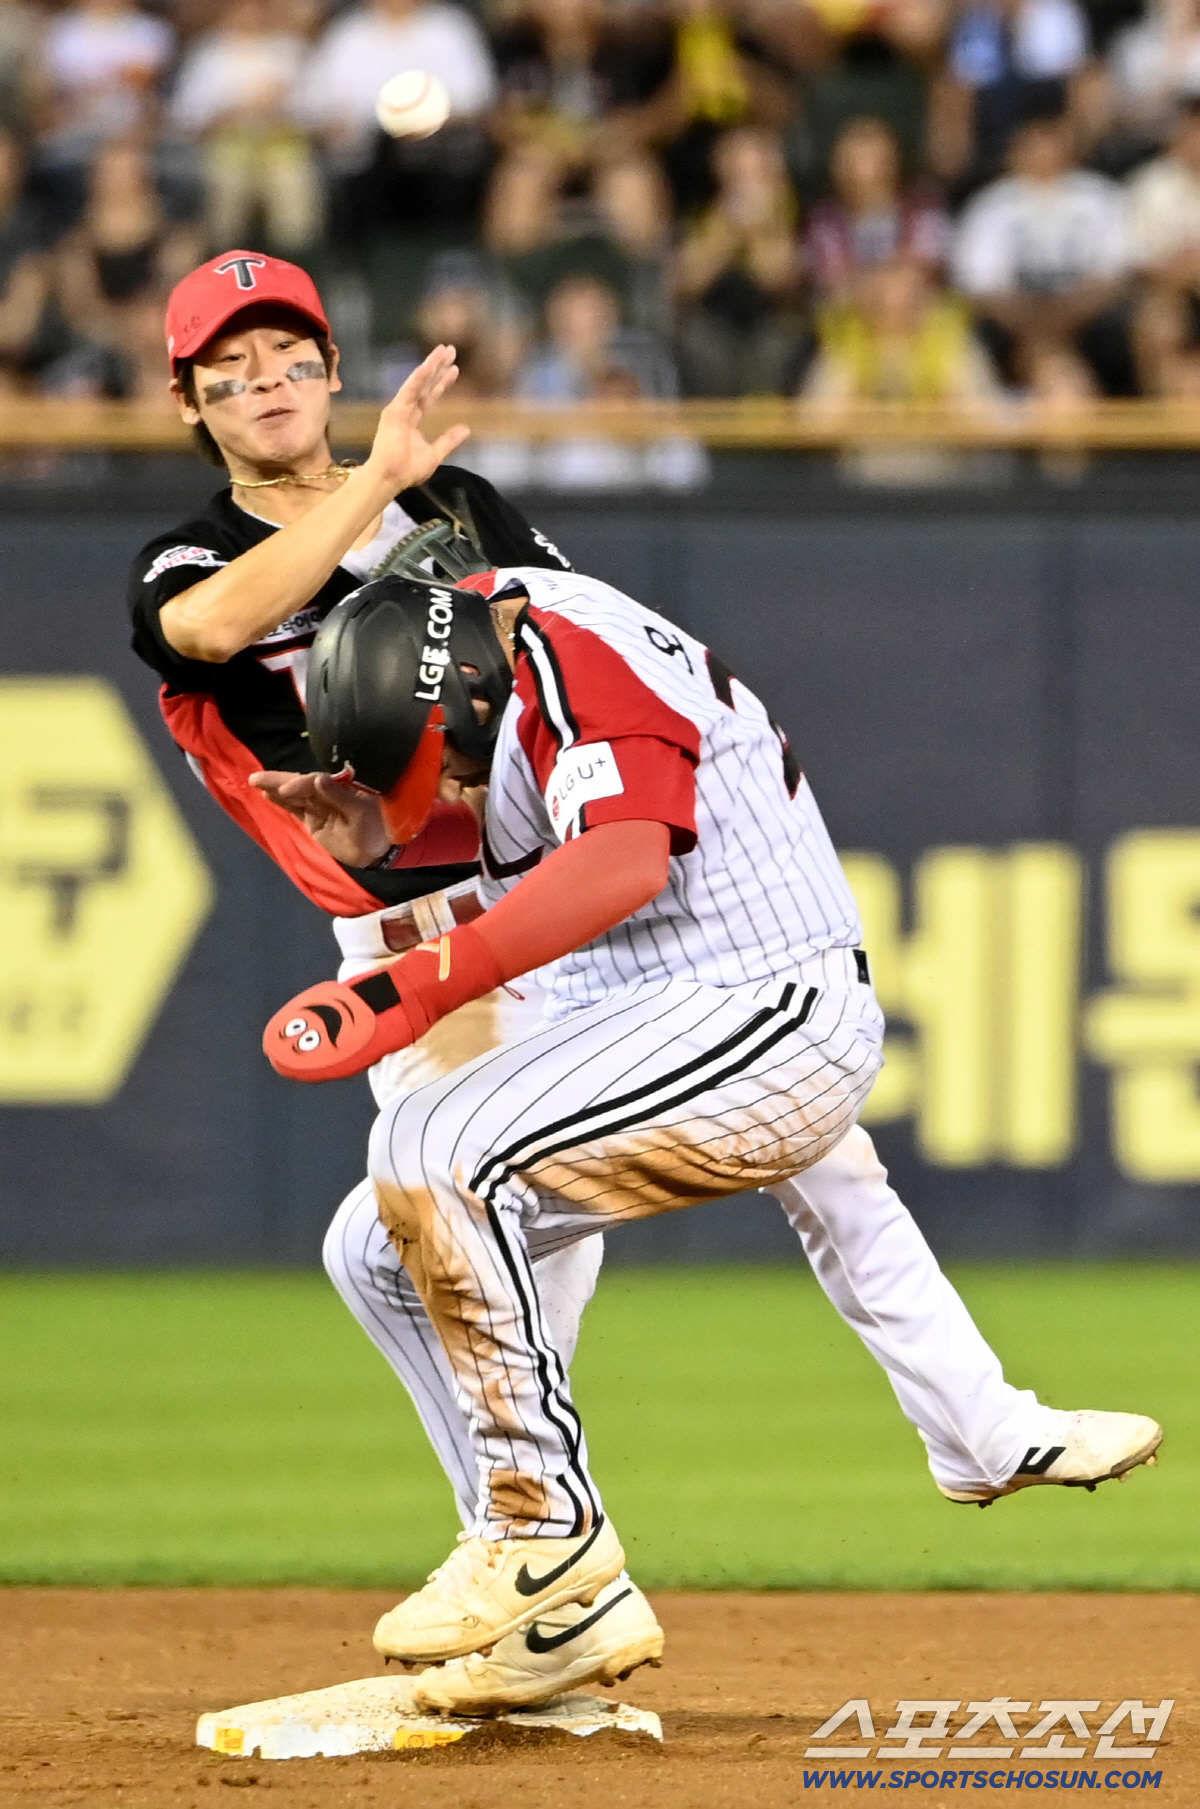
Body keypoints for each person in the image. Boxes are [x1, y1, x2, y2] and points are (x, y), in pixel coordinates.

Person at [258, 559, 1163, 1712]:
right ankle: (553, 1602)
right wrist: (385, 840)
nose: (450, 784)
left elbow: (623, 858)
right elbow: (537, 835)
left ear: (468, 694)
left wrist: (420, 983)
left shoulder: (582, 656)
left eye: (441, 761)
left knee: (431, 1148)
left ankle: (543, 1539)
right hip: (661, 1021)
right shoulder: (501, 656)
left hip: (770, 1016)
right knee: (376, 1249)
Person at [126, 247, 667, 1711]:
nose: (266, 379)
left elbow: (581, 645)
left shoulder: (453, 503)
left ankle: (547, 1565)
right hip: (407, 944)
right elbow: (213, 630)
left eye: (288, 351)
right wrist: (373, 485)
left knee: (448, 1244)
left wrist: (423, 519)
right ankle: (554, 1579)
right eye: (230, 366)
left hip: (533, 903)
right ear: (190, 400)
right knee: (443, 1260)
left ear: (327, 365)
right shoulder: (187, 557)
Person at [952, 110, 1135, 394]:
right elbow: (980, 287)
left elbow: (1115, 274)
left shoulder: (1099, 196)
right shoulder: (990, 205)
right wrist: (1035, 325)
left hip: (1088, 319)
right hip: (1014, 321)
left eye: (1051, 144)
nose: (1044, 154)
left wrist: (1061, 319)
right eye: (1034, 145)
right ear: (1015, 152)